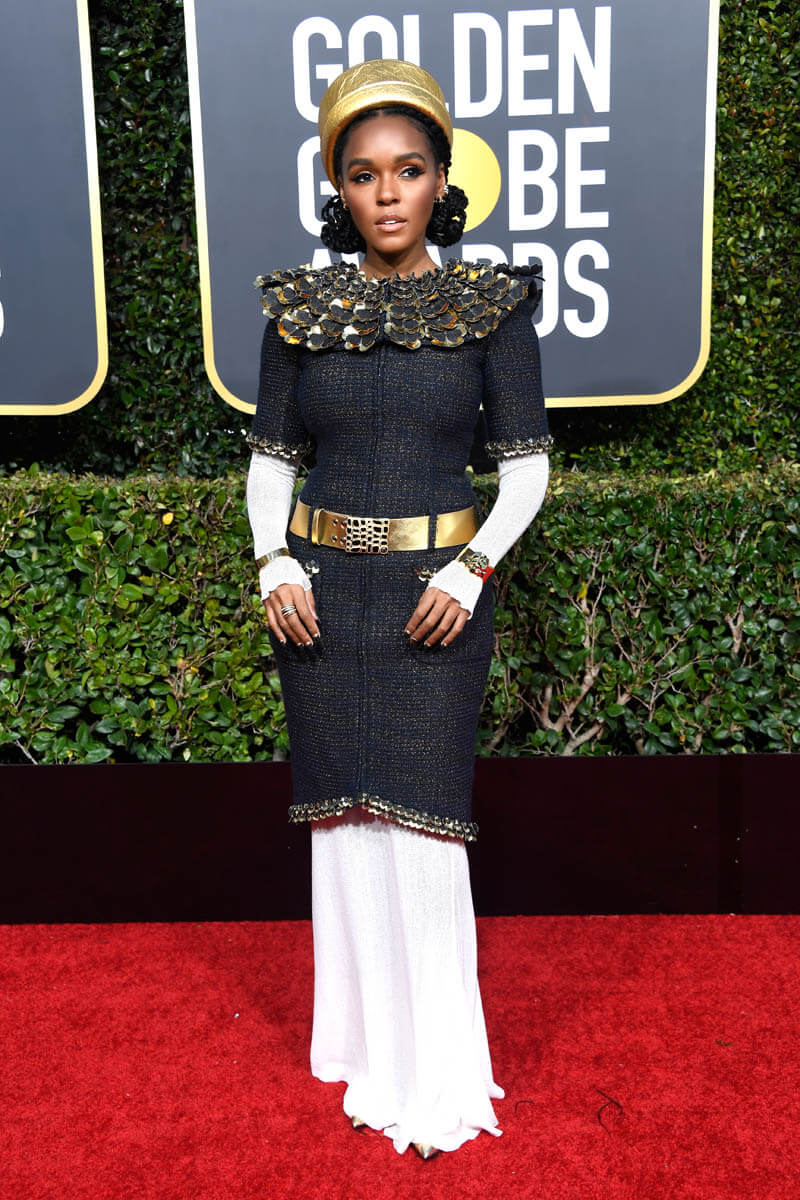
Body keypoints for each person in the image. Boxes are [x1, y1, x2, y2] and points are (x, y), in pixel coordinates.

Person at [246, 59, 552, 1159]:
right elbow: (271, 459)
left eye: (409, 170)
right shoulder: (298, 311)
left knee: (424, 826)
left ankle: (437, 1080)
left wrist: (469, 573)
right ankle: (367, 1052)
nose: (387, 193)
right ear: (338, 185)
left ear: (439, 181)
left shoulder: (492, 308)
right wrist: (272, 564)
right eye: (364, 173)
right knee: (343, 822)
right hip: (321, 602)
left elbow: (525, 469)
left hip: (436, 603)